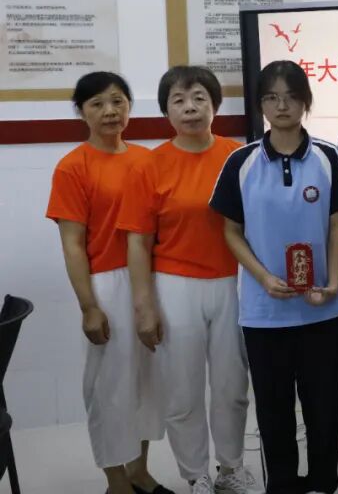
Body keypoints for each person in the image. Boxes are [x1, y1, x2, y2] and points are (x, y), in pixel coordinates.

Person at [209, 61, 338, 494]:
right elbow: (231, 232)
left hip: (323, 310)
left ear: (305, 101)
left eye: (291, 96)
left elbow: (335, 224)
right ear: (261, 105)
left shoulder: (327, 156)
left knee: (322, 407)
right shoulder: (241, 161)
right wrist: (262, 278)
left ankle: (323, 483)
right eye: (272, 97)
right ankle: (283, 484)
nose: (282, 105)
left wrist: (334, 282)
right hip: (264, 312)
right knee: (274, 410)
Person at [116, 66, 257, 494]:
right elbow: (138, 242)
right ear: (166, 112)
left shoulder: (240, 156)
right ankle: (196, 475)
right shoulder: (149, 165)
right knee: (183, 389)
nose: (190, 108)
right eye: (178, 101)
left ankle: (231, 469)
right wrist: (144, 306)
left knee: (232, 387)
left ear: (215, 105)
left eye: (199, 98)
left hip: (234, 283)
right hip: (175, 285)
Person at [45, 72, 171, 494]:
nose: (110, 111)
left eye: (118, 101)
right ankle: (116, 480)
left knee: (147, 384)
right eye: (97, 104)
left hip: (151, 280)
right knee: (109, 388)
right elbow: (72, 245)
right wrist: (89, 306)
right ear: (81, 112)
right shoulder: (73, 167)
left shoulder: (147, 159)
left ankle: (139, 472)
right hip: (107, 284)